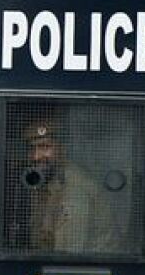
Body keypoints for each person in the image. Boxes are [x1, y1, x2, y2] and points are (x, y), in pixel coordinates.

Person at [19, 107, 115, 254]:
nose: (36, 156)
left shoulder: (76, 187)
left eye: (45, 147)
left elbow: (67, 253)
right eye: (32, 149)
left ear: (62, 148)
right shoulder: (45, 181)